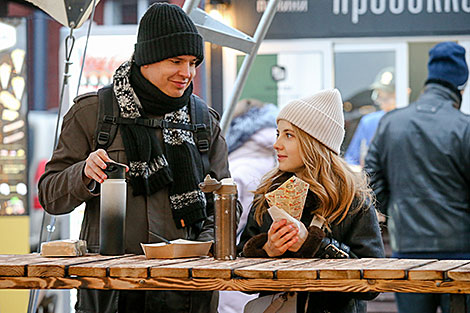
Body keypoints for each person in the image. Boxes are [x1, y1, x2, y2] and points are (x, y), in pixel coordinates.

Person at [38, 3, 232, 313]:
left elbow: (226, 203)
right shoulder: (93, 113)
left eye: (194, 62)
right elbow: (50, 195)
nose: (187, 73)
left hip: (185, 296)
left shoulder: (202, 120)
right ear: (147, 58)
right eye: (176, 61)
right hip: (110, 293)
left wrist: (201, 249)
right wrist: (83, 173)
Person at [238, 89, 385, 312]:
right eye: (278, 133)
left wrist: (314, 244)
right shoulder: (268, 195)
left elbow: (371, 285)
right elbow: (243, 281)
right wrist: (267, 249)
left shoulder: (352, 201)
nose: (276, 144)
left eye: (288, 135)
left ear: (314, 143)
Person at [364, 42, 470, 313]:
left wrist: (393, 213)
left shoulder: (391, 123)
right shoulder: (464, 128)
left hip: (408, 251)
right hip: (460, 256)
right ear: (461, 84)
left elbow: (371, 180)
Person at [218, 98, 278, 313]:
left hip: (237, 273)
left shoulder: (235, 171)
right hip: (270, 277)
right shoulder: (278, 165)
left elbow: (228, 228)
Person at [345, 67, 396, 166]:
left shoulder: (409, 121)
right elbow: (351, 158)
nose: (382, 99)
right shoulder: (369, 121)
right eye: (380, 94)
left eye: (388, 95)